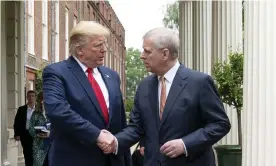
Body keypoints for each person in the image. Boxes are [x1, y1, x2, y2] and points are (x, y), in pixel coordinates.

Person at [99, 28, 231, 166]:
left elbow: (220, 124)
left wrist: (185, 144)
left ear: (165, 54)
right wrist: (116, 141)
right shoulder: (144, 86)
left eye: (147, 51)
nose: (142, 56)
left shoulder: (199, 82)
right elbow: (136, 127)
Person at [42, 21, 131, 166]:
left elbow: (120, 121)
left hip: (112, 161)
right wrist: (97, 136)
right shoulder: (56, 73)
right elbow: (57, 111)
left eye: (105, 44)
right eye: (98, 45)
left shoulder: (112, 76)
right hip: (74, 160)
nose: (104, 50)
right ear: (79, 50)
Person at [14, 90, 35, 166]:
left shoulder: (39, 109)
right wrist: (17, 134)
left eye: (32, 96)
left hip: (37, 135)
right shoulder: (21, 109)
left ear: (35, 97)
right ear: (26, 97)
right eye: (29, 96)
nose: (31, 98)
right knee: (27, 154)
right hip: (25, 135)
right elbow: (17, 122)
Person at [29, 92, 50, 166]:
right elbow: (30, 127)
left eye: (43, 100)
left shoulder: (53, 113)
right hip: (38, 146)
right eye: (40, 100)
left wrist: (50, 134)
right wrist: (37, 135)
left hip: (51, 146)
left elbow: (58, 128)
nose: (42, 102)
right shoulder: (35, 114)